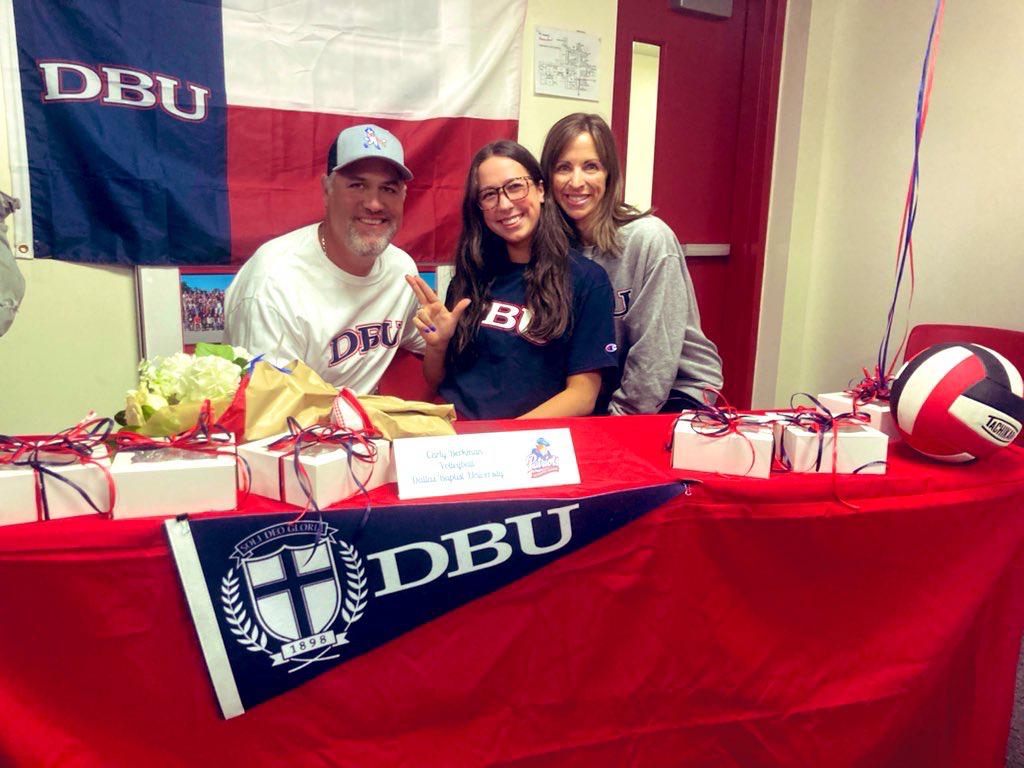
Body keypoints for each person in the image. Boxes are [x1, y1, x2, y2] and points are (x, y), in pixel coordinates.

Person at [404, 140, 617, 420]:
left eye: (515, 186)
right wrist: (438, 344)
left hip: (530, 444)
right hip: (457, 434)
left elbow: (582, 396)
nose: (504, 204)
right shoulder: (470, 276)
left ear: (540, 190)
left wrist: (503, 438)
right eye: (489, 194)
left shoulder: (588, 280)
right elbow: (436, 380)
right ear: (479, 207)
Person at [540, 113, 723, 414]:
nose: (576, 182)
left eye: (591, 167)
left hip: (674, 389)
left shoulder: (649, 239)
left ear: (609, 175)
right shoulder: (553, 250)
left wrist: (617, 424)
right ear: (547, 178)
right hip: (605, 392)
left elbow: (656, 357)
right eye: (563, 168)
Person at [225, 124, 424, 393]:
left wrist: (442, 339)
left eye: (388, 189)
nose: (374, 204)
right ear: (326, 190)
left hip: (365, 426)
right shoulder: (273, 282)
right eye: (357, 185)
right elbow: (266, 411)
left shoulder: (402, 270)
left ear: (403, 197)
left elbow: (428, 342)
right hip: (293, 431)